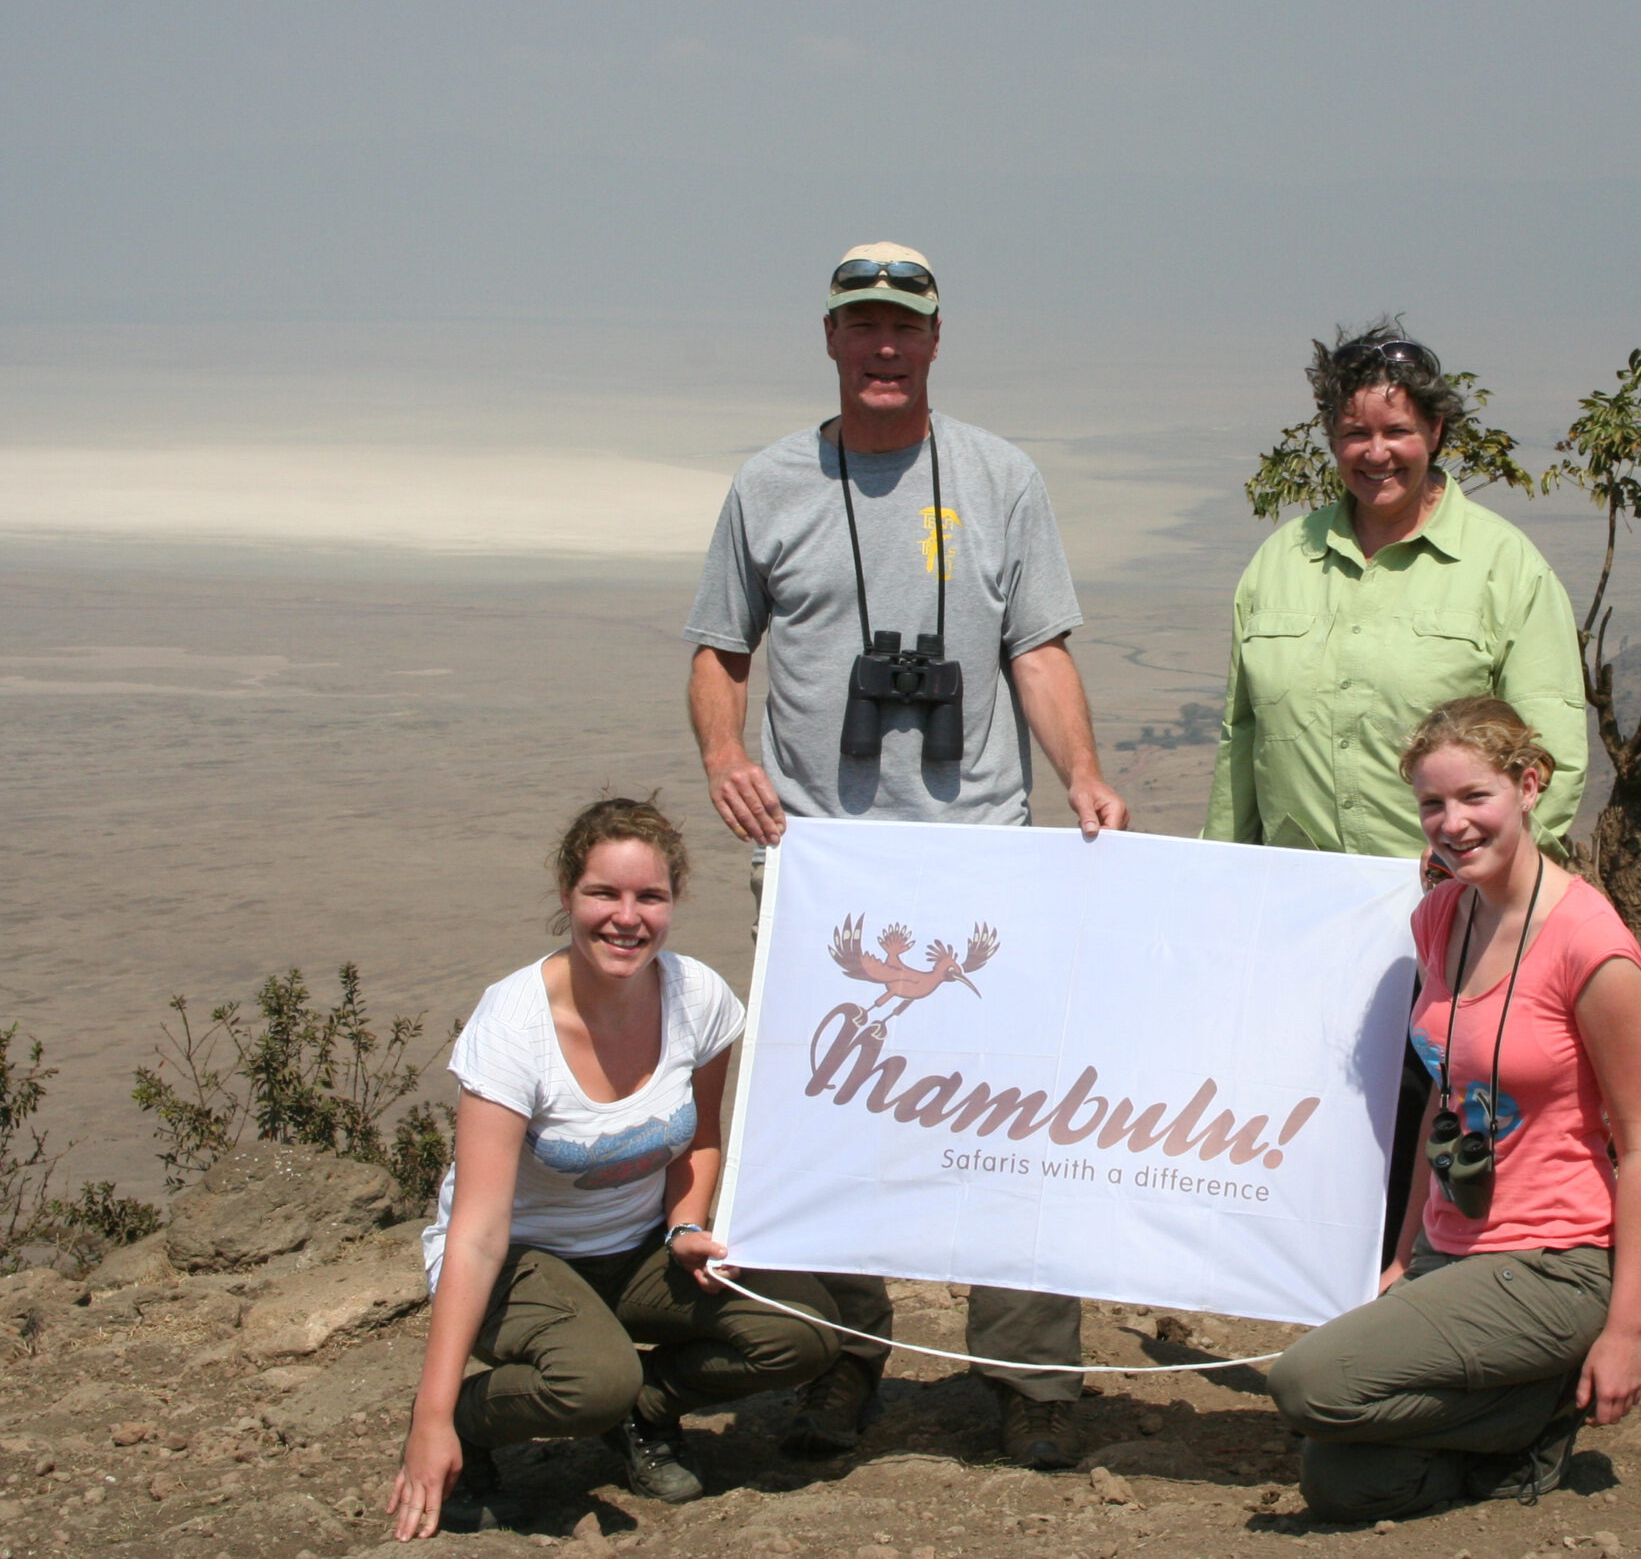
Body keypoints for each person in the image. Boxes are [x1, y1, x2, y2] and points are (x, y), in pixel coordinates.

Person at [684, 242, 1130, 1470]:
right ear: (830, 339)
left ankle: (1031, 1370)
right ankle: (836, 1360)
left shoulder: (1001, 478)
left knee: (1012, 1120)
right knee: (826, 1122)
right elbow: (721, 651)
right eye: (862, 326)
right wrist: (727, 756)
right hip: (823, 865)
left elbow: (1037, 647)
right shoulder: (769, 484)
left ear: (936, 340)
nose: (884, 348)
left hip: (980, 859)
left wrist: (1082, 773)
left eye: (905, 328)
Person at [386, 798, 839, 1541]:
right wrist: (431, 1417)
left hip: (635, 1247)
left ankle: (646, 1410)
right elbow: (476, 1231)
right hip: (523, 1257)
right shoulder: (513, 1025)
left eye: (649, 896)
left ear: (672, 903)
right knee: (592, 1379)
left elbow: (700, 1138)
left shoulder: (699, 999)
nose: (626, 917)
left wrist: (686, 1220)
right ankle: (471, 1423)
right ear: (568, 893)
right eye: (605, 892)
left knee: (803, 1331)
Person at [1265, 698, 1641, 1524]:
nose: (1453, 823)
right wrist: (1408, 1251)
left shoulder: (1592, 947)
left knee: (1307, 1383)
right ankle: (1517, 1440)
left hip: (1555, 1261)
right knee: (1338, 1479)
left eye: (1474, 797)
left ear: (1529, 785)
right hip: (1454, 1247)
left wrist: (1625, 1330)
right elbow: (1440, 1100)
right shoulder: (1442, 915)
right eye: (1432, 804)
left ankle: (1535, 1407)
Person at [1204, 322, 1589, 861]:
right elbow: (1240, 741)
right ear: (1333, 440)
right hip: (1297, 899)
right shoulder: (1279, 562)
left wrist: (1490, 885)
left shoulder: (1505, 567)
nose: (1376, 453)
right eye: (1356, 434)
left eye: (1397, 432)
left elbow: (1552, 757)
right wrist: (1220, 870)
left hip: (1453, 902)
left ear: (1434, 432)